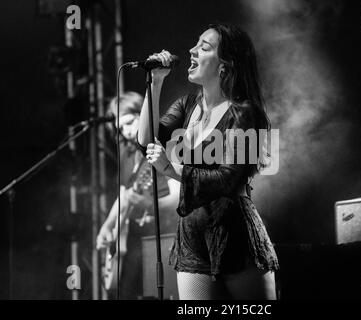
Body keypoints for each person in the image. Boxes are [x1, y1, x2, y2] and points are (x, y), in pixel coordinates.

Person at [136, 24, 279, 300]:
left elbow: (228, 179)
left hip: (234, 233)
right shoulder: (186, 105)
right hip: (192, 235)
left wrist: (170, 169)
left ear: (225, 65)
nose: (191, 51)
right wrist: (155, 82)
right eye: (195, 44)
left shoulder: (245, 114)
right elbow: (147, 138)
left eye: (204, 47)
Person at [96, 91, 179, 299]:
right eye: (120, 128)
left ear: (141, 115)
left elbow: (181, 196)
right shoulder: (127, 151)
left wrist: (149, 204)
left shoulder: (162, 143)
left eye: (130, 122)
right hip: (135, 240)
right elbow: (124, 195)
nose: (126, 132)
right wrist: (108, 225)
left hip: (165, 235)